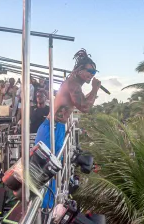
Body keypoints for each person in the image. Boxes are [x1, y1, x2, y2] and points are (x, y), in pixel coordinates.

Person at [35, 49, 100, 207]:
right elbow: (84, 107)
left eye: (94, 71)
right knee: (45, 169)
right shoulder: (72, 84)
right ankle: (41, 209)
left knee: (54, 167)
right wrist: (96, 88)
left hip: (58, 128)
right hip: (51, 128)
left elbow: (84, 103)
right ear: (79, 70)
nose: (92, 74)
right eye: (89, 71)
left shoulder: (75, 84)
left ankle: (48, 206)